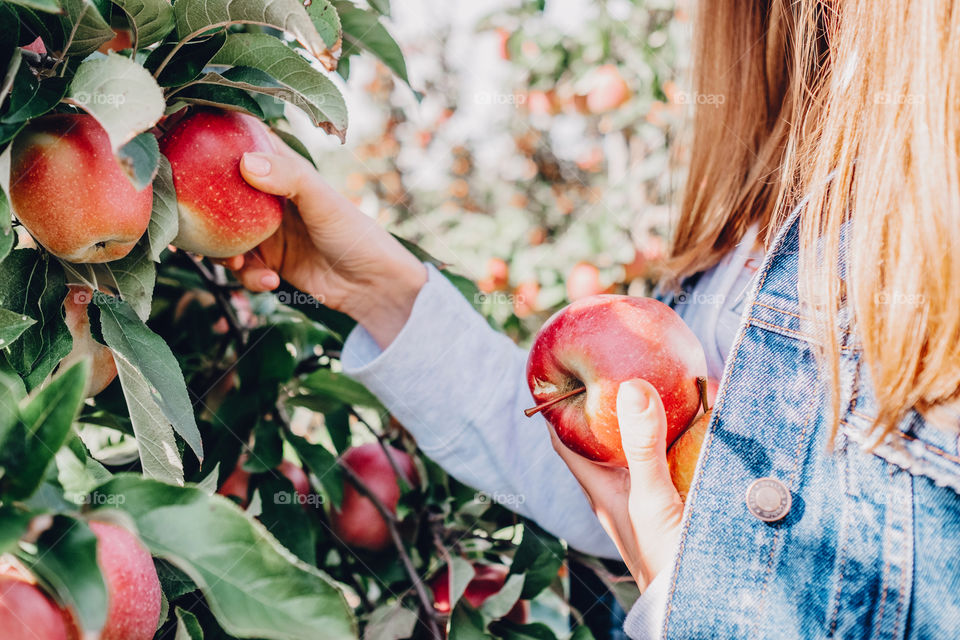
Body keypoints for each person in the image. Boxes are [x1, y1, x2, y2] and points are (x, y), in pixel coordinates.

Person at [224, 1, 960, 637]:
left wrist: (691, 600)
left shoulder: (931, 234)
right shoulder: (766, 216)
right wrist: (378, 291)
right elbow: (607, 478)